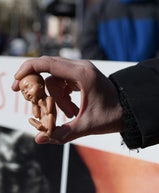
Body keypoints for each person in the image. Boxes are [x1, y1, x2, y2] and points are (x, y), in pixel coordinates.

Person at [12, 56, 159, 149]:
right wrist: (34, 105)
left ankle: (45, 127)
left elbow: (49, 111)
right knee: (39, 120)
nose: (26, 92)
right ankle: (41, 126)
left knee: (48, 119)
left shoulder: (49, 99)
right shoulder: (36, 103)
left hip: (48, 120)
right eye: (24, 91)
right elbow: (37, 112)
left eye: (28, 87)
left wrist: (120, 100)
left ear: (41, 86)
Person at [79, 0, 159, 61]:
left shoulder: (100, 9)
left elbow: (87, 46)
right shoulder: (99, 10)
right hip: (148, 78)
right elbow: (88, 47)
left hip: (108, 77)